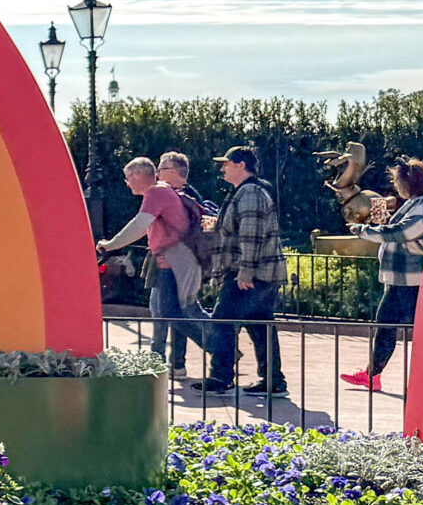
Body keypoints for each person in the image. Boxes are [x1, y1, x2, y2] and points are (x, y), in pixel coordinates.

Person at [343, 158, 423, 392]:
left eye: (397, 181)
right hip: (404, 279)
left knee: (417, 331)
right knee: (387, 327)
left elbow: (402, 232)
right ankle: (373, 374)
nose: (395, 186)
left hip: (413, 280)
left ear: (409, 183)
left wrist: (364, 230)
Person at [96, 155, 203, 374]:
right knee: (166, 310)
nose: (126, 183)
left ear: (137, 174)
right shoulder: (162, 192)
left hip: (171, 260)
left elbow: (139, 224)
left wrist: (111, 244)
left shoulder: (157, 192)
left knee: (169, 311)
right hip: (169, 258)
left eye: (127, 177)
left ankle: (219, 347)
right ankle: (170, 361)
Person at [193, 145, 286, 395]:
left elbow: (251, 234)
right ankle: (273, 380)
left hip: (249, 274)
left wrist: (246, 271)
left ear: (241, 165)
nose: (222, 168)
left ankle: (221, 377)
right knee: (260, 325)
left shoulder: (249, 193)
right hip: (264, 273)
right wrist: (219, 224)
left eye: (226, 163)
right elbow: (243, 227)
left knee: (222, 321)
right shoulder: (249, 191)